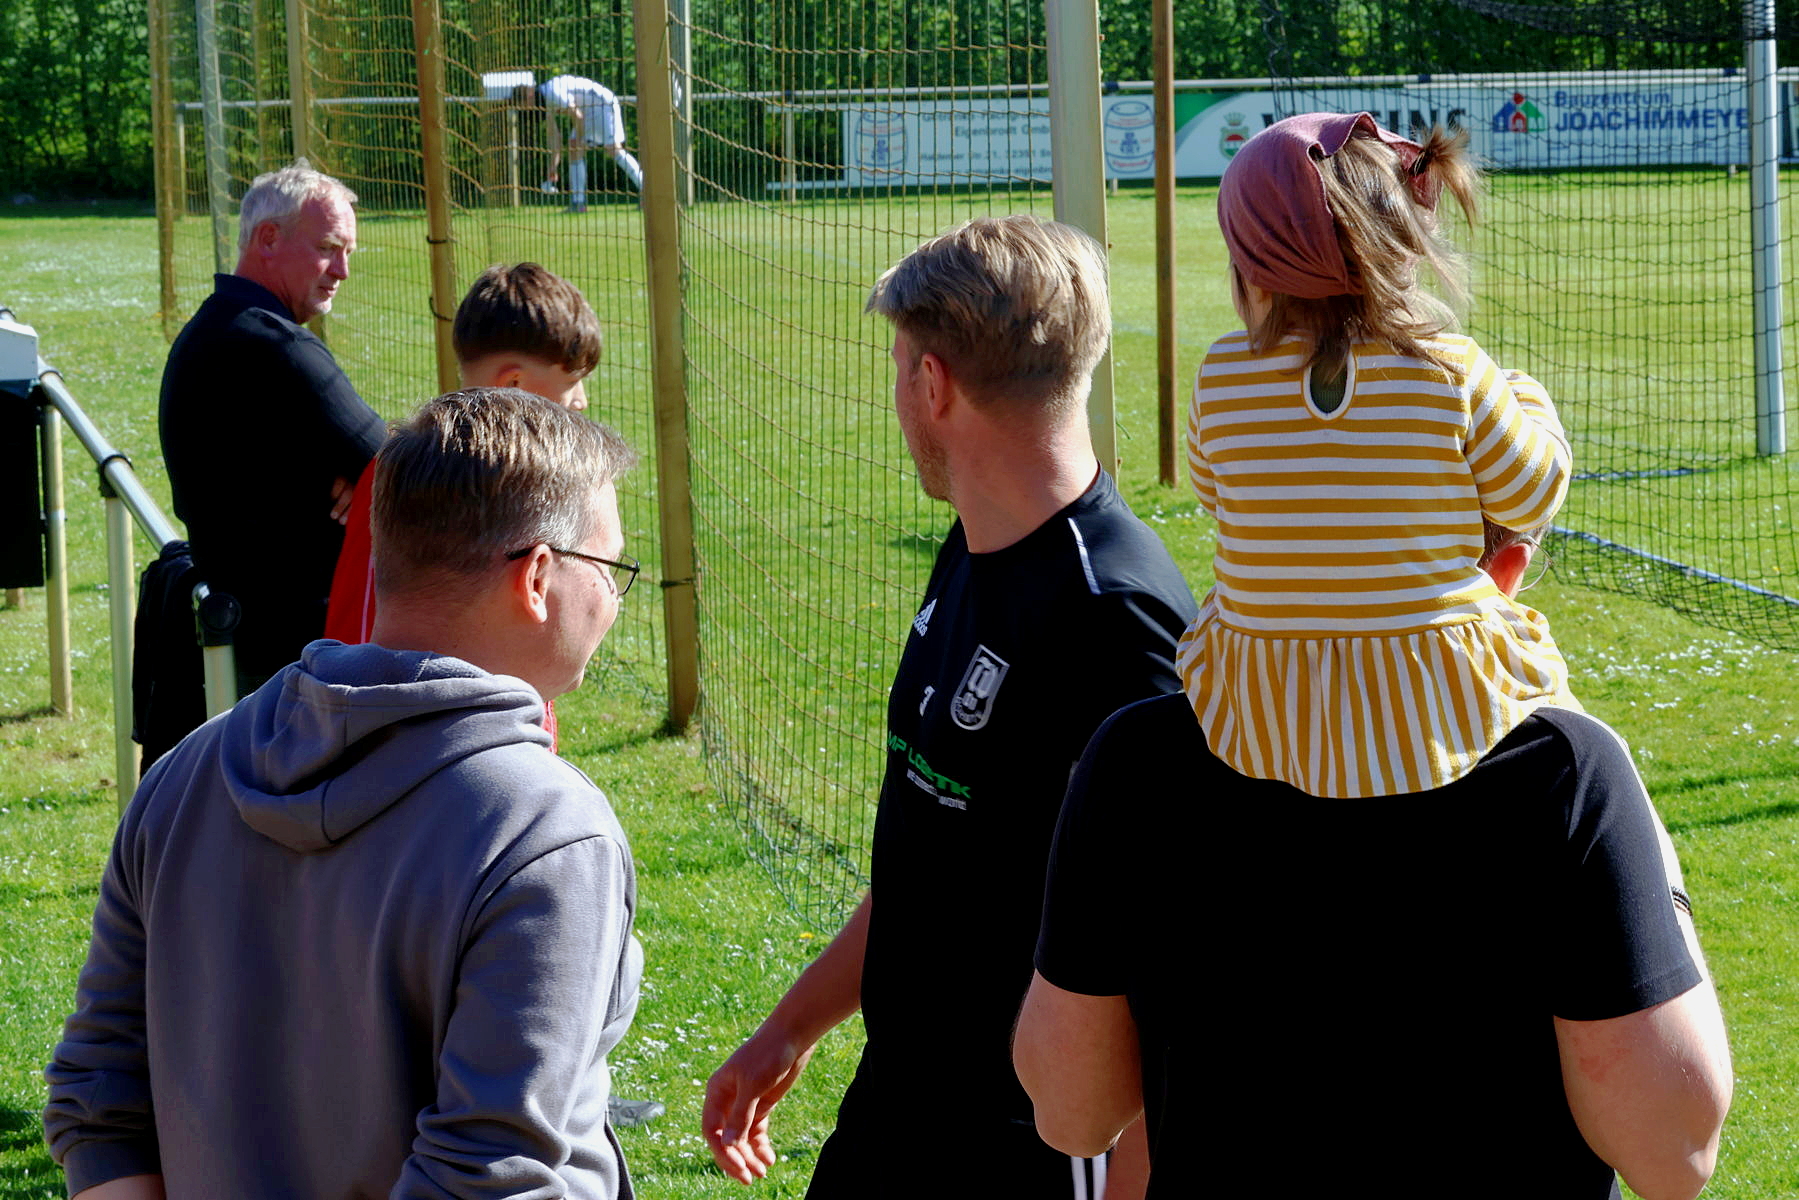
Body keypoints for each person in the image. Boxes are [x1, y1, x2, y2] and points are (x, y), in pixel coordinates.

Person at [1014, 519, 1735, 1199]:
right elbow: (1672, 1153)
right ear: (1504, 573)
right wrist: (1643, 840)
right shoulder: (1563, 774)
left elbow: (1071, 1113)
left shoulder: (1139, 760)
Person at [701, 215, 1197, 1198]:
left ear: (931, 383)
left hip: (1027, 1147)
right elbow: (936, 853)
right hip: (900, 1104)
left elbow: (1178, 959)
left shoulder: (1113, 618)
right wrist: (790, 1027)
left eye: (897, 369)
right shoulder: (975, 545)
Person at [46, 389, 646, 1199]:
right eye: (609, 570)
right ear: (538, 577)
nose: (612, 599)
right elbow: (484, 1179)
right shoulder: (545, 835)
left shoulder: (186, 774)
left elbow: (101, 1101)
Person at [320, 261, 669, 1133]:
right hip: (444, 776)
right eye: (573, 392)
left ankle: (558, 1069)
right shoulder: (417, 489)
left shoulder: (412, 469)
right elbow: (370, 634)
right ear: (514, 385)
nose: (582, 408)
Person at [1175, 111, 1580, 801]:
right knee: (1588, 751)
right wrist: (1528, 401)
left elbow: (1216, 493)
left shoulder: (1222, 375)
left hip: (1267, 704)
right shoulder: (1450, 367)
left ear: (1256, 268)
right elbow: (1528, 496)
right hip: (1434, 701)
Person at [158, 158, 386, 697]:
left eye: (348, 253)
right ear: (267, 238)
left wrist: (369, 478)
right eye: (328, 247)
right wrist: (374, 476)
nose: (342, 271)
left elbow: (382, 463)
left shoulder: (216, 325)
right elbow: (408, 467)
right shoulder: (272, 343)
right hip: (292, 654)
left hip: (248, 634)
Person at [516, 76, 645, 211]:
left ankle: (647, 190)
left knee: (613, 149)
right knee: (574, 150)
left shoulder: (552, 92)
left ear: (529, 96)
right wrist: (553, 167)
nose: (525, 110)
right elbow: (554, 138)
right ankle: (578, 203)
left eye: (523, 105)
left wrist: (578, 138)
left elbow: (578, 116)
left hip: (602, 103)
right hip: (589, 110)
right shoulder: (544, 103)